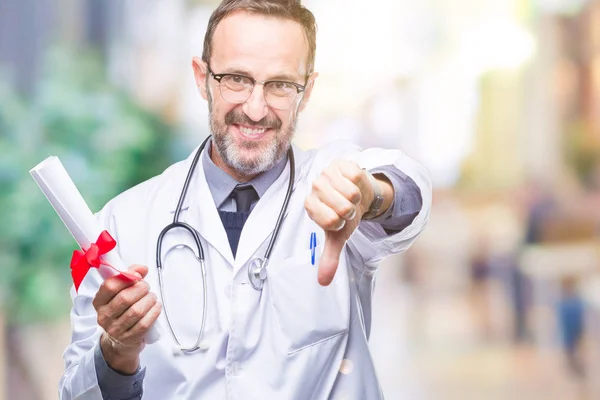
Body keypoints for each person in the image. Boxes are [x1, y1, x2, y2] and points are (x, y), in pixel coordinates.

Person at [58, 0, 432, 398]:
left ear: (306, 92)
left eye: (280, 85)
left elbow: (409, 195)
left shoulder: (333, 188)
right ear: (202, 79)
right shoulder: (123, 222)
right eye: (236, 79)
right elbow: (76, 393)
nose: (255, 109)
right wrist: (117, 351)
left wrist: (369, 196)